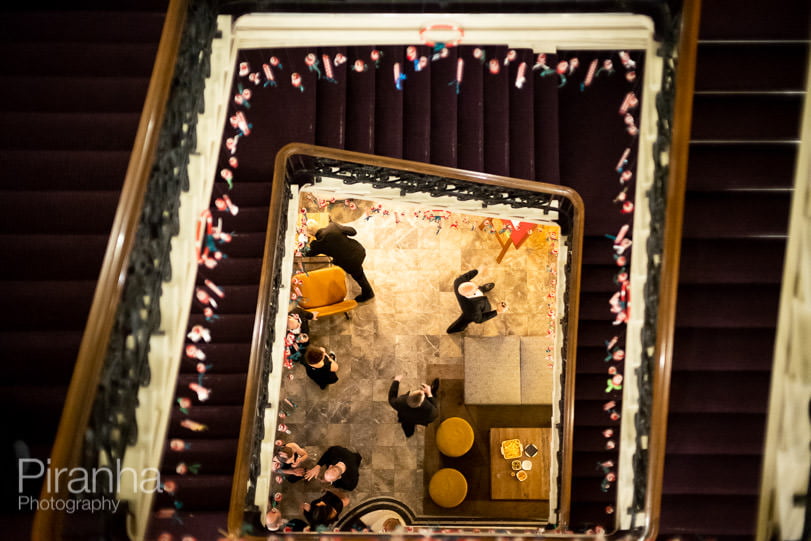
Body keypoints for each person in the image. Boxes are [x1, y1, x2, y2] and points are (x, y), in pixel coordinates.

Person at [306, 219, 375, 302]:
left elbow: (308, 254)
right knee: (347, 262)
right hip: (358, 251)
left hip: (350, 262)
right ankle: (356, 269)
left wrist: (309, 241)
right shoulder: (333, 226)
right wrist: (340, 229)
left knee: (359, 276)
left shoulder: (317, 244)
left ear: (310, 234)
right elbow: (353, 232)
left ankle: (368, 293)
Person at [446, 268, 508, 334]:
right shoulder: (472, 310)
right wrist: (498, 311)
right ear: (470, 294)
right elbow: (479, 320)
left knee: (479, 289)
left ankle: (483, 289)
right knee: (465, 319)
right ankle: (455, 329)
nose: (477, 287)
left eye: (473, 284)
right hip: (470, 311)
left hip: (470, 296)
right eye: (476, 289)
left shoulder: (458, 281)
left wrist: (478, 270)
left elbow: (470, 274)